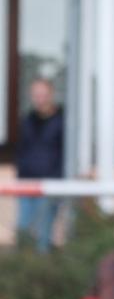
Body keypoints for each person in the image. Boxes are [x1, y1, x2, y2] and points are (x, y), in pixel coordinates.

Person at [15, 78, 64, 253]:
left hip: (50, 185)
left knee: (43, 232)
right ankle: (22, 271)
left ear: (51, 95)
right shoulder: (27, 120)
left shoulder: (63, 121)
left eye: (43, 94)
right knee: (23, 229)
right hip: (26, 184)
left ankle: (41, 275)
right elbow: (21, 150)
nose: (39, 98)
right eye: (36, 94)